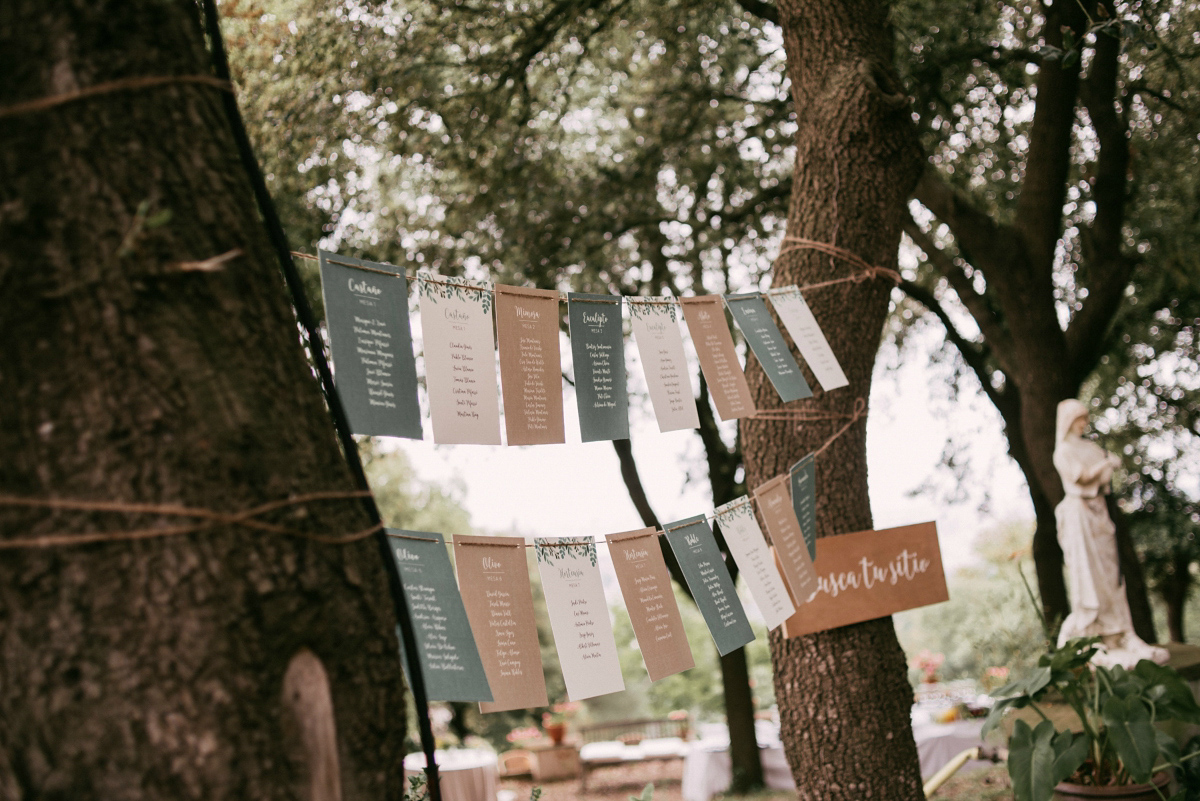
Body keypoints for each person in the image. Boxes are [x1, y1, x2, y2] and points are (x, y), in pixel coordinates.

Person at [1053, 398, 1168, 667]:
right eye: (1080, 418)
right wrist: (1105, 465)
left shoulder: (1090, 447)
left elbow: (1102, 480)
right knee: (1088, 575)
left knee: (1110, 574)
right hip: (1080, 516)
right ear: (1069, 421)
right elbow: (1080, 478)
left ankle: (1120, 635)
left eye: (1085, 418)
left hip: (1099, 516)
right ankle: (1094, 637)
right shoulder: (1063, 452)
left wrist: (1107, 467)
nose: (1084, 424)